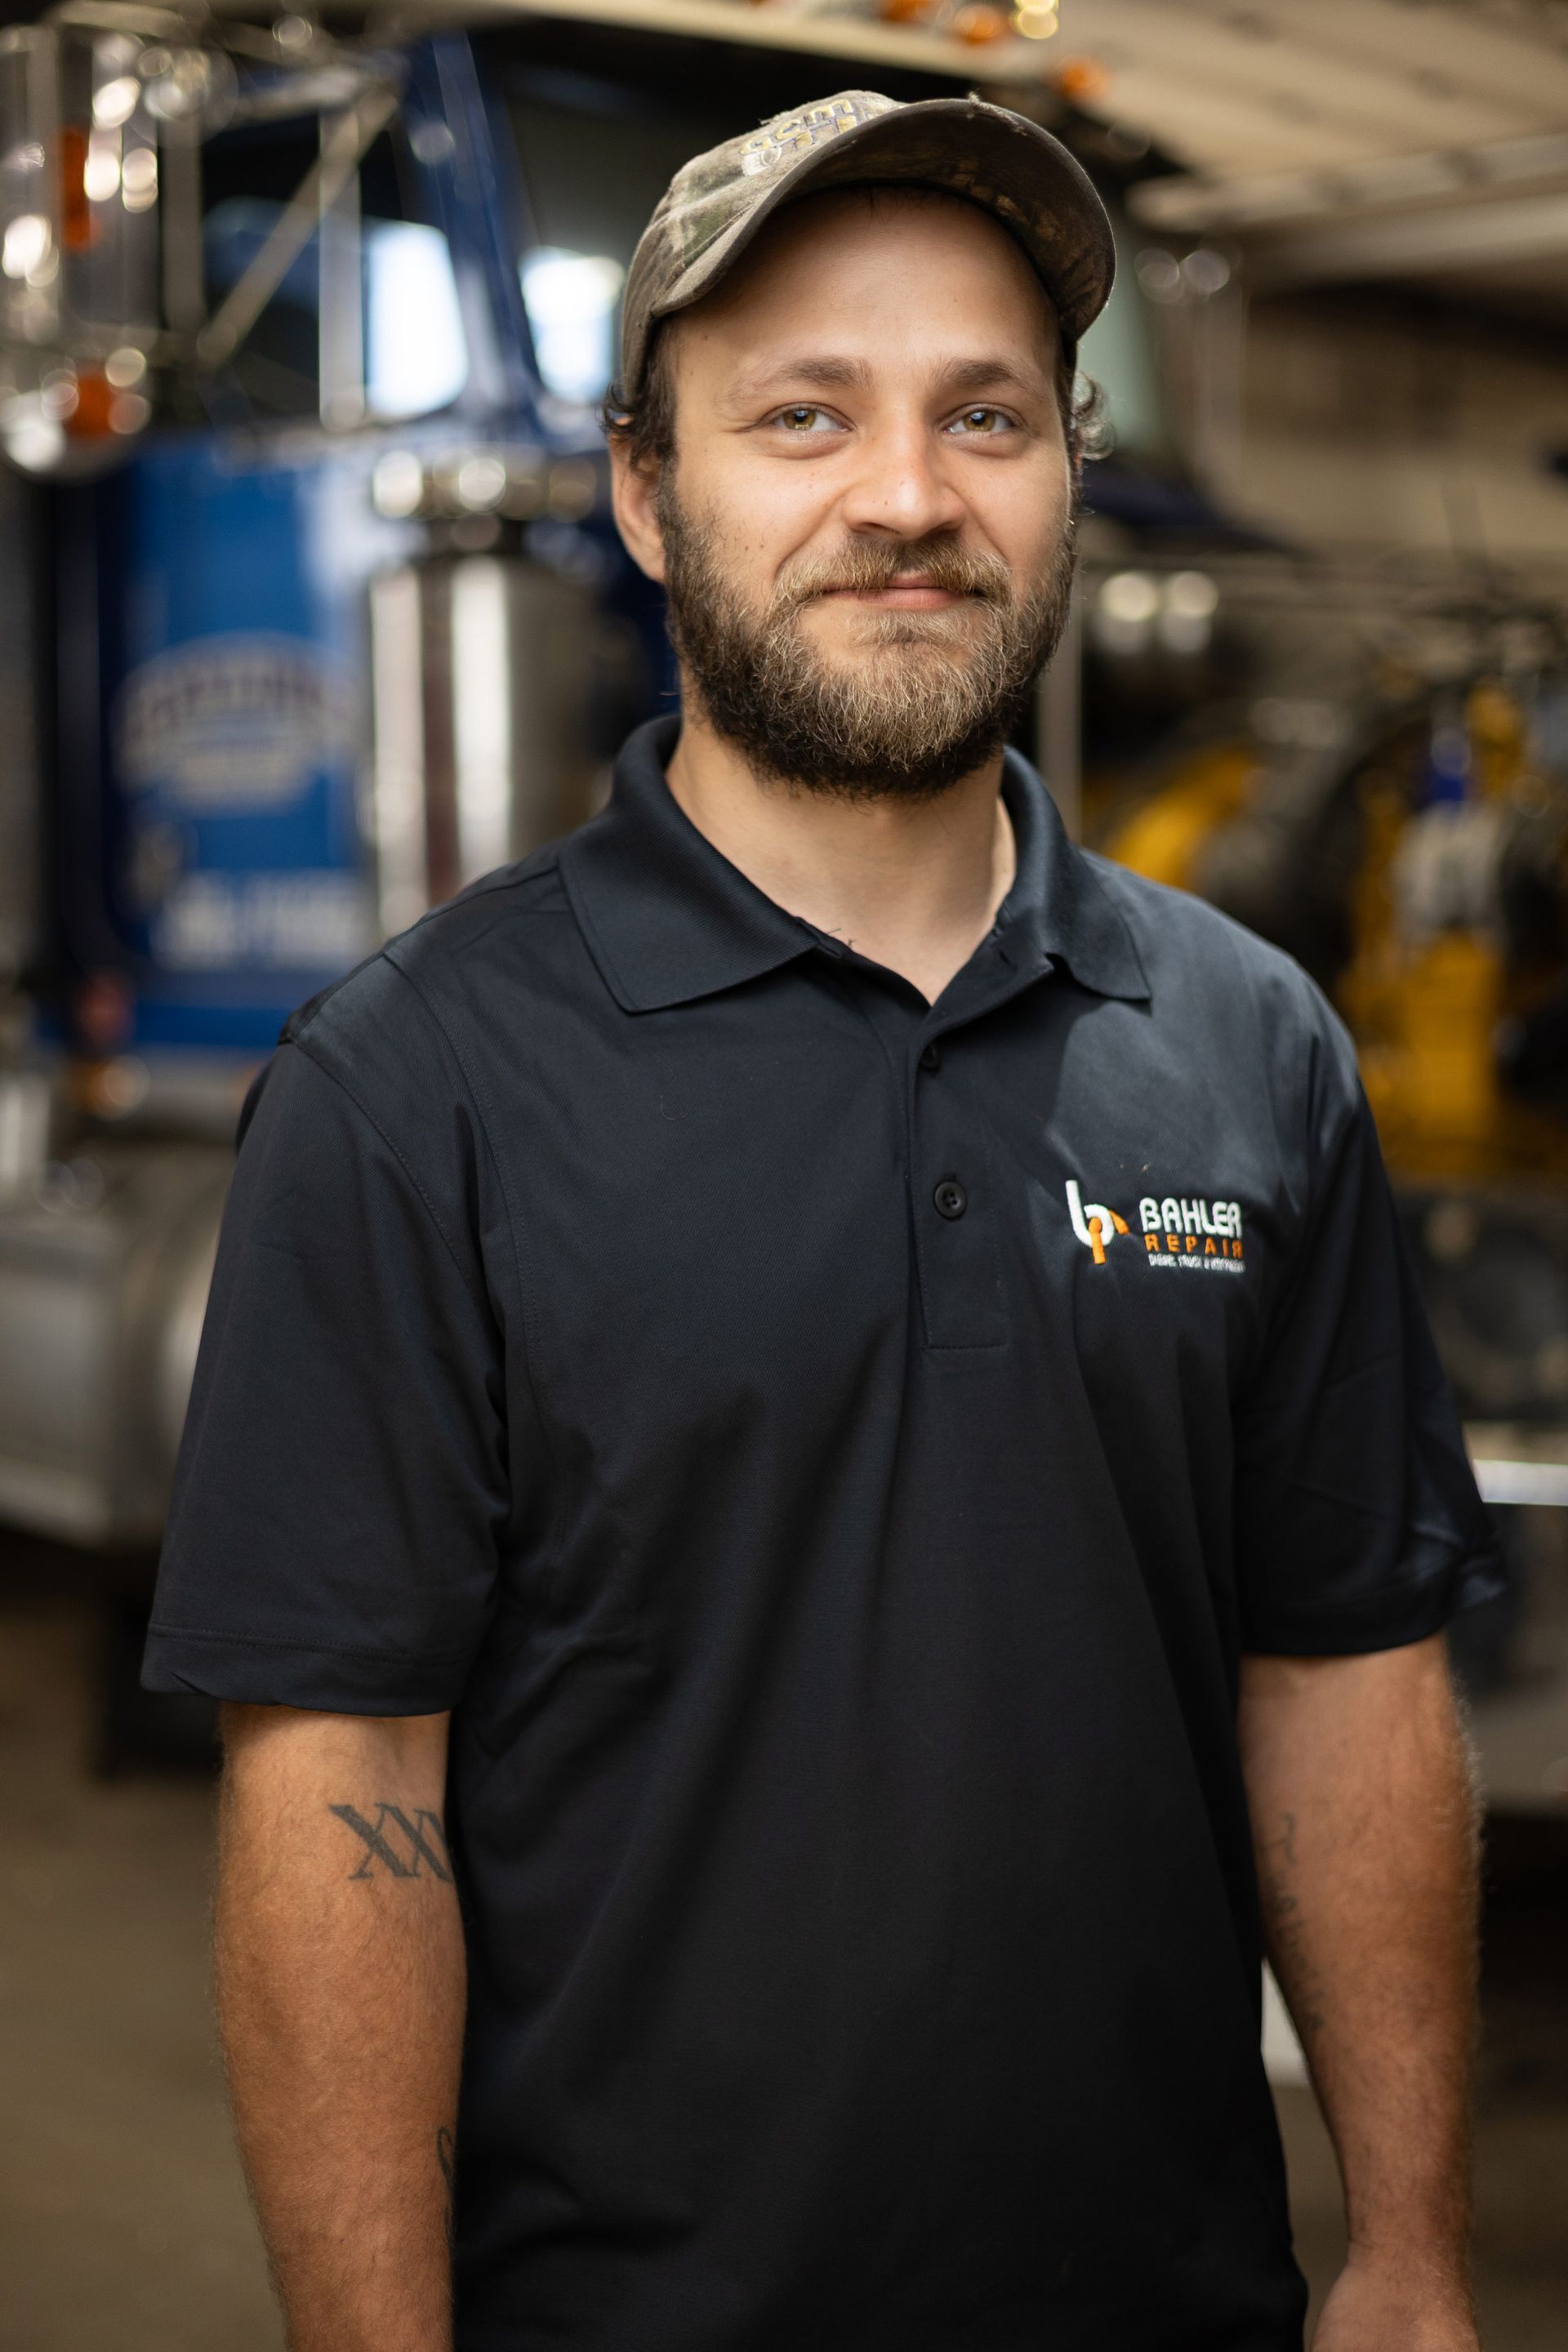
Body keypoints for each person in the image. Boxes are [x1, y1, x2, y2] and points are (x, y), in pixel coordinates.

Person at [145, 88, 1499, 2352]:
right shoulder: (415, 1088)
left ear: (1065, 473)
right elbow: (340, 1795)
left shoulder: (1251, 1046)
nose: (906, 498)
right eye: (804, 415)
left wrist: (1416, 2255)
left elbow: (1346, 1674)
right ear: (648, 500)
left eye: (987, 415)